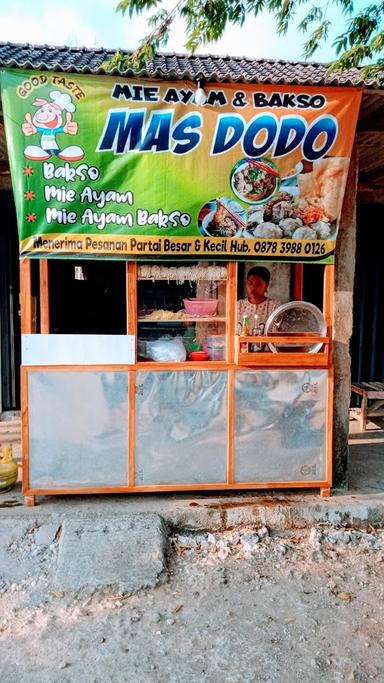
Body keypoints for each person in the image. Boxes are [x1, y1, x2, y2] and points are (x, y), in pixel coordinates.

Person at [237, 266, 281, 332]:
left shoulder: (274, 306)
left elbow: (276, 332)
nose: (253, 287)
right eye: (250, 283)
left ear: (266, 285)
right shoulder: (239, 305)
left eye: (258, 284)